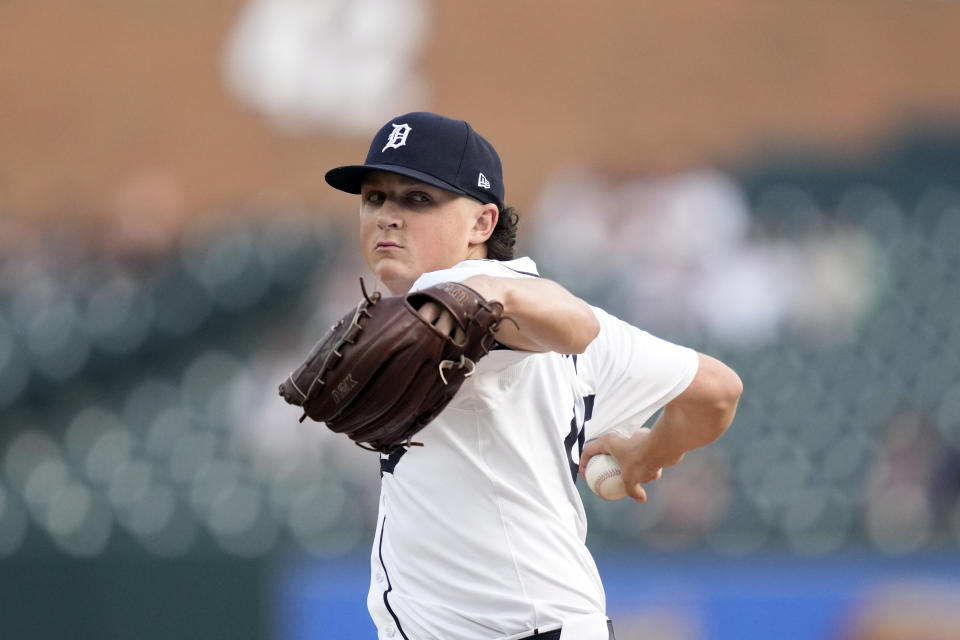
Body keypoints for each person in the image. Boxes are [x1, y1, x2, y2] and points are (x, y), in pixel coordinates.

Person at [323, 111, 743, 640]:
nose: (386, 215)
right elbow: (719, 392)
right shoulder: (480, 307)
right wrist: (650, 453)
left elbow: (572, 323)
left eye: (417, 199)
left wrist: (487, 294)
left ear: (483, 224)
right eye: (375, 197)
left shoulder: (478, 297)